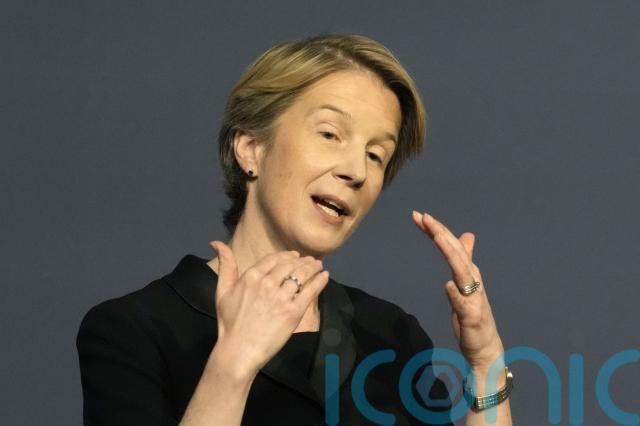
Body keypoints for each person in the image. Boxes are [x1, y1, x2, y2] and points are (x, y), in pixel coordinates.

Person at [77, 34, 512, 425]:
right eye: (330, 134)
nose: (356, 171)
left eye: (376, 155)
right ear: (251, 148)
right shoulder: (133, 330)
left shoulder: (391, 336)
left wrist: (486, 361)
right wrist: (232, 365)